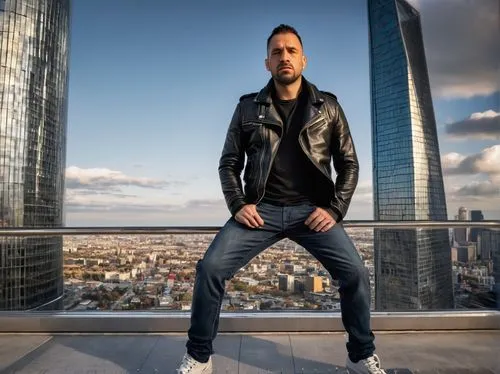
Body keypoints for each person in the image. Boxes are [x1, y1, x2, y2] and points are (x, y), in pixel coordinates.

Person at [177, 24, 386, 374]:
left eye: (291, 51)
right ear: (267, 63)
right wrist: (237, 204)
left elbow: (348, 163)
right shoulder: (247, 108)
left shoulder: (328, 107)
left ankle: (361, 355)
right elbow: (229, 162)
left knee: (355, 274)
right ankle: (199, 356)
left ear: (303, 59)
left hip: (314, 213)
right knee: (210, 268)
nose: (284, 57)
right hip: (261, 211)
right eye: (277, 52)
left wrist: (334, 208)